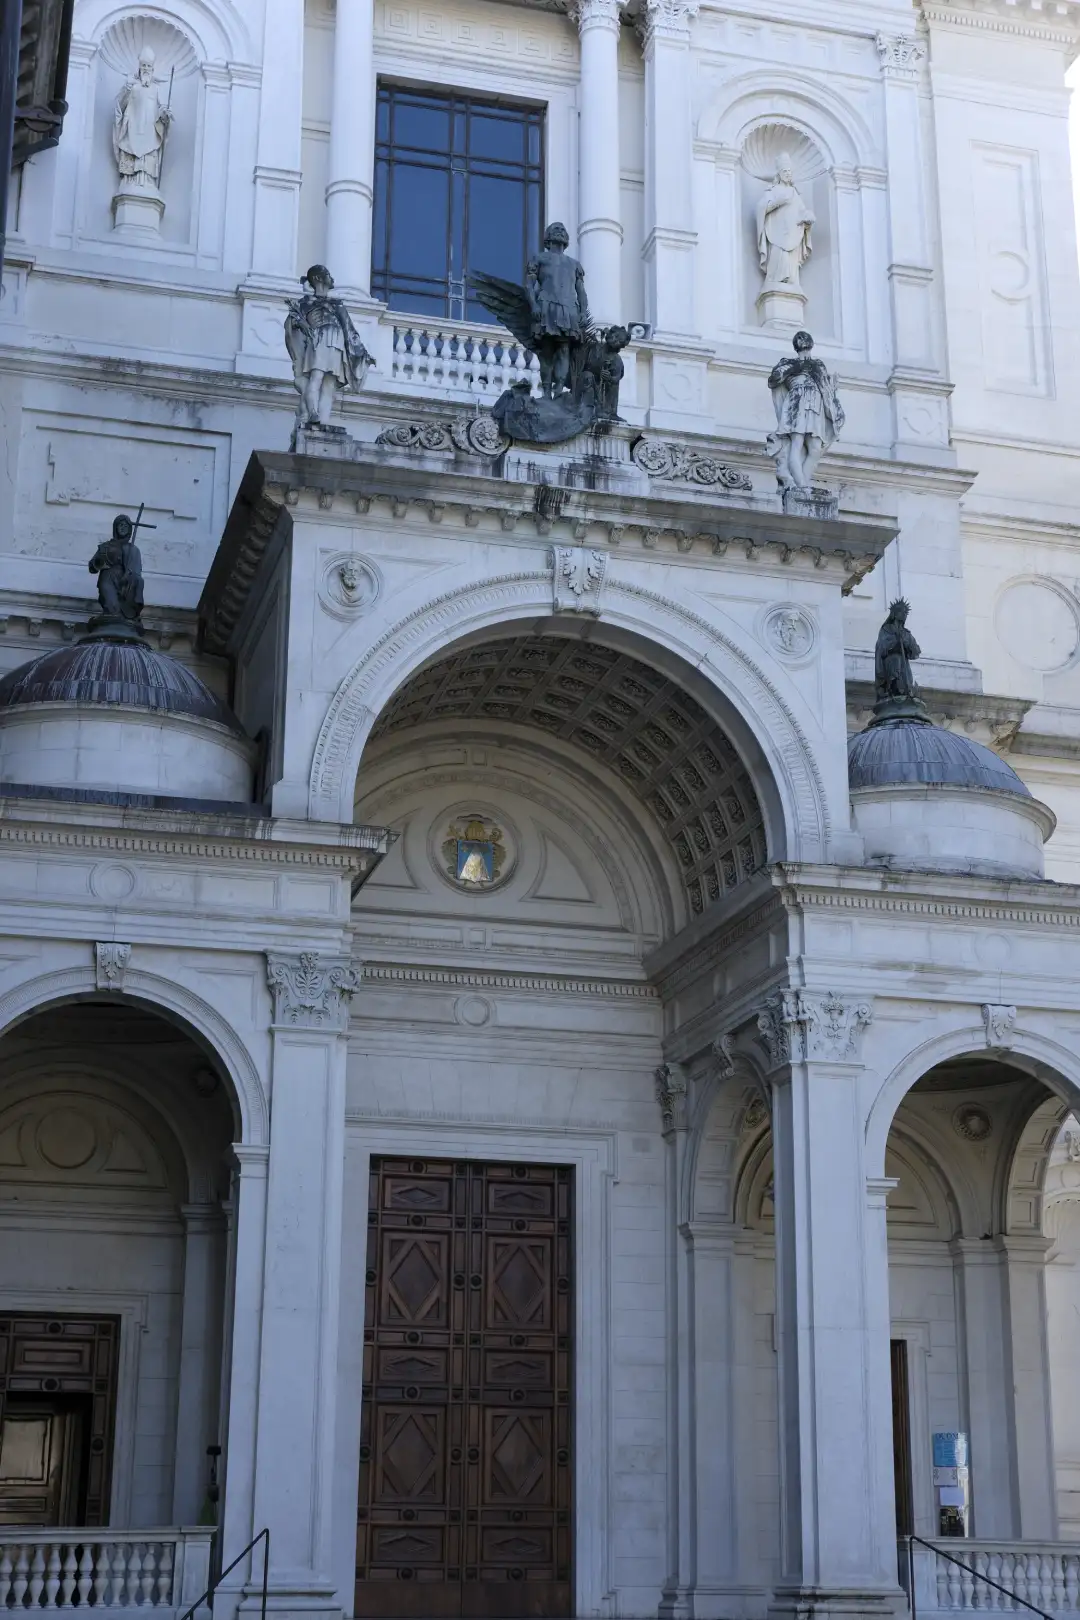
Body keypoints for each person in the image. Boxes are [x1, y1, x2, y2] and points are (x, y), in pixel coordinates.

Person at [285, 265, 374, 430]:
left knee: (329, 386)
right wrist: (299, 324)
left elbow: (349, 330)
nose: (332, 278)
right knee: (316, 378)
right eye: (328, 275)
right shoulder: (303, 304)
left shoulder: (337, 304)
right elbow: (292, 328)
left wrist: (361, 352)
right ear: (318, 279)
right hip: (319, 341)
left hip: (337, 343)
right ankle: (313, 414)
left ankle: (323, 423)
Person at [766, 330, 844, 490]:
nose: (803, 340)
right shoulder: (787, 363)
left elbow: (825, 387)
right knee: (797, 443)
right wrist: (798, 365)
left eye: (805, 338)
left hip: (815, 403)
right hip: (797, 400)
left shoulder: (818, 364)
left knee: (815, 448)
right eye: (800, 339)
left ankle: (803, 483)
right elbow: (774, 379)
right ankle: (801, 487)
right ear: (796, 345)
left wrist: (833, 395)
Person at [525, 222, 590, 398]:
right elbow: (529, 286)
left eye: (563, 229)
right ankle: (546, 391)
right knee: (546, 351)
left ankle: (559, 389)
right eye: (556, 229)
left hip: (568, 308)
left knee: (563, 349)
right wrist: (534, 305)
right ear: (548, 237)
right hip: (547, 304)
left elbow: (581, 292)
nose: (560, 231)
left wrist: (583, 312)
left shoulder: (574, 264)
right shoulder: (539, 259)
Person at [113, 48, 171, 191]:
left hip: (150, 129)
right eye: (143, 66)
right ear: (139, 67)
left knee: (148, 153)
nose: (146, 69)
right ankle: (129, 182)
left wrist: (165, 114)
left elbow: (161, 107)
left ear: (153, 68)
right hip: (132, 126)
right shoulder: (132, 86)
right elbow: (120, 106)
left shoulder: (157, 89)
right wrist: (126, 90)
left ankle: (147, 183)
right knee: (131, 150)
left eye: (148, 66)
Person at [756, 154, 815, 293]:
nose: (788, 174)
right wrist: (777, 203)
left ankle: (792, 283)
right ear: (779, 174)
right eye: (785, 171)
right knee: (777, 260)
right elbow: (760, 208)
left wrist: (807, 218)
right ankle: (773, 282)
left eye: (789, 171)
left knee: (791, 265)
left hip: (792, 235)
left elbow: (801, 211)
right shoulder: (772, 190)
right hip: (776, 234)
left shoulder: (794, 193)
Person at [89, 515, 145, 626]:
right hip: (108, 579)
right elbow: (92, 566)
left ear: (130, 529)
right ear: (115, 527)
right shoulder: (105, 546)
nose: (123, 528)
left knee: (122, 610)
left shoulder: (133, 549)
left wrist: (128, 576)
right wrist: (98, 563)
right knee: (111, 608)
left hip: (126, 583)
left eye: (126, 526)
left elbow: (136, 571)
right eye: (120, 525)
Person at [875, 599, 922, 704]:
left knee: (905, 681)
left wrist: (908, 645)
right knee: (895, 662)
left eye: (906, 613)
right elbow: (881, 647)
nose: (904, 615)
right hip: (891, 661)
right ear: (895, 614)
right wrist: (894, 643)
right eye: (902, 612)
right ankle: (891, 688)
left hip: (904, 665)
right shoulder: (886, 630)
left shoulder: (906, 633)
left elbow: (915, 652)